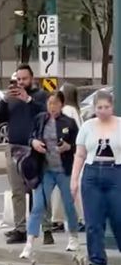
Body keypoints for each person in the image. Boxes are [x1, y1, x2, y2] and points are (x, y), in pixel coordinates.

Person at [0, 64, 51, 244]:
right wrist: (4, 100)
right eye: (18, 79)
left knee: (37, 190)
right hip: (14, 148)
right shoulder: (11, 99)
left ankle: (45, 228)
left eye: (24, 79)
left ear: (31, 79)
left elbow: (47, 114)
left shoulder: (40, 96)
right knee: (17, 191)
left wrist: (28, 100)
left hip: (34, 149)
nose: (21, 82)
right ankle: (20, 229)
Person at [20, 91, 79, 259]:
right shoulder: (40, 119)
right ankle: (29, 243)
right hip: (45, 169)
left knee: (68, 204)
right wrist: (34, 142)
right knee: (38, 205)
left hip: (63, 170)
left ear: (62, 104)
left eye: (56, 103)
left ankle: (73, 237)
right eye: (50, 103)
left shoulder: (69, 123)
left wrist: (68, 147)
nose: (52, 107)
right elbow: (30, 137)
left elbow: (78, 145)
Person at [71, 90, 121, 265]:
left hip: (115, 171)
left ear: (112, 106)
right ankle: (97, 259)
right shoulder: (87, 126)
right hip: (92, 173)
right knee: (93, 221)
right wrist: (74, 179)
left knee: (118, 218)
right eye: (99, 107)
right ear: (94, 108)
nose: (103, 110)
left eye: (106, 107)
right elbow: (80, 155)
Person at [52, 82, 84, 232]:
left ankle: (62, 219)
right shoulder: (76, 110)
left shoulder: (67, 111)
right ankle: (67, 218)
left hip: (66, 156)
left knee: (63, 189)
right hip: (75, 154)